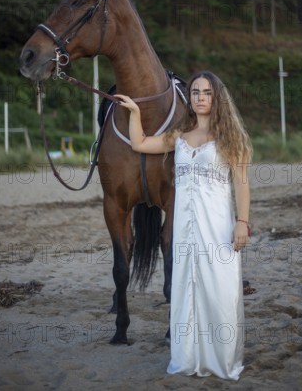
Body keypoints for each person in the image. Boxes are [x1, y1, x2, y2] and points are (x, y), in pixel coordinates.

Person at [115, 70, 252, 380]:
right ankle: (188, 357)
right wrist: (135, 112)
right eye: (195, 93)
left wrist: (242, 222)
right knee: (187, 288)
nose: (200, 98)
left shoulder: (231, 137)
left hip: (217, 226)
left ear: (217, 98)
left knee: (218, 289)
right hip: (185, 229)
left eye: (206, 93)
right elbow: (139, 143)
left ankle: (221, 358)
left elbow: (242, 185)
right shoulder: (179, 135)